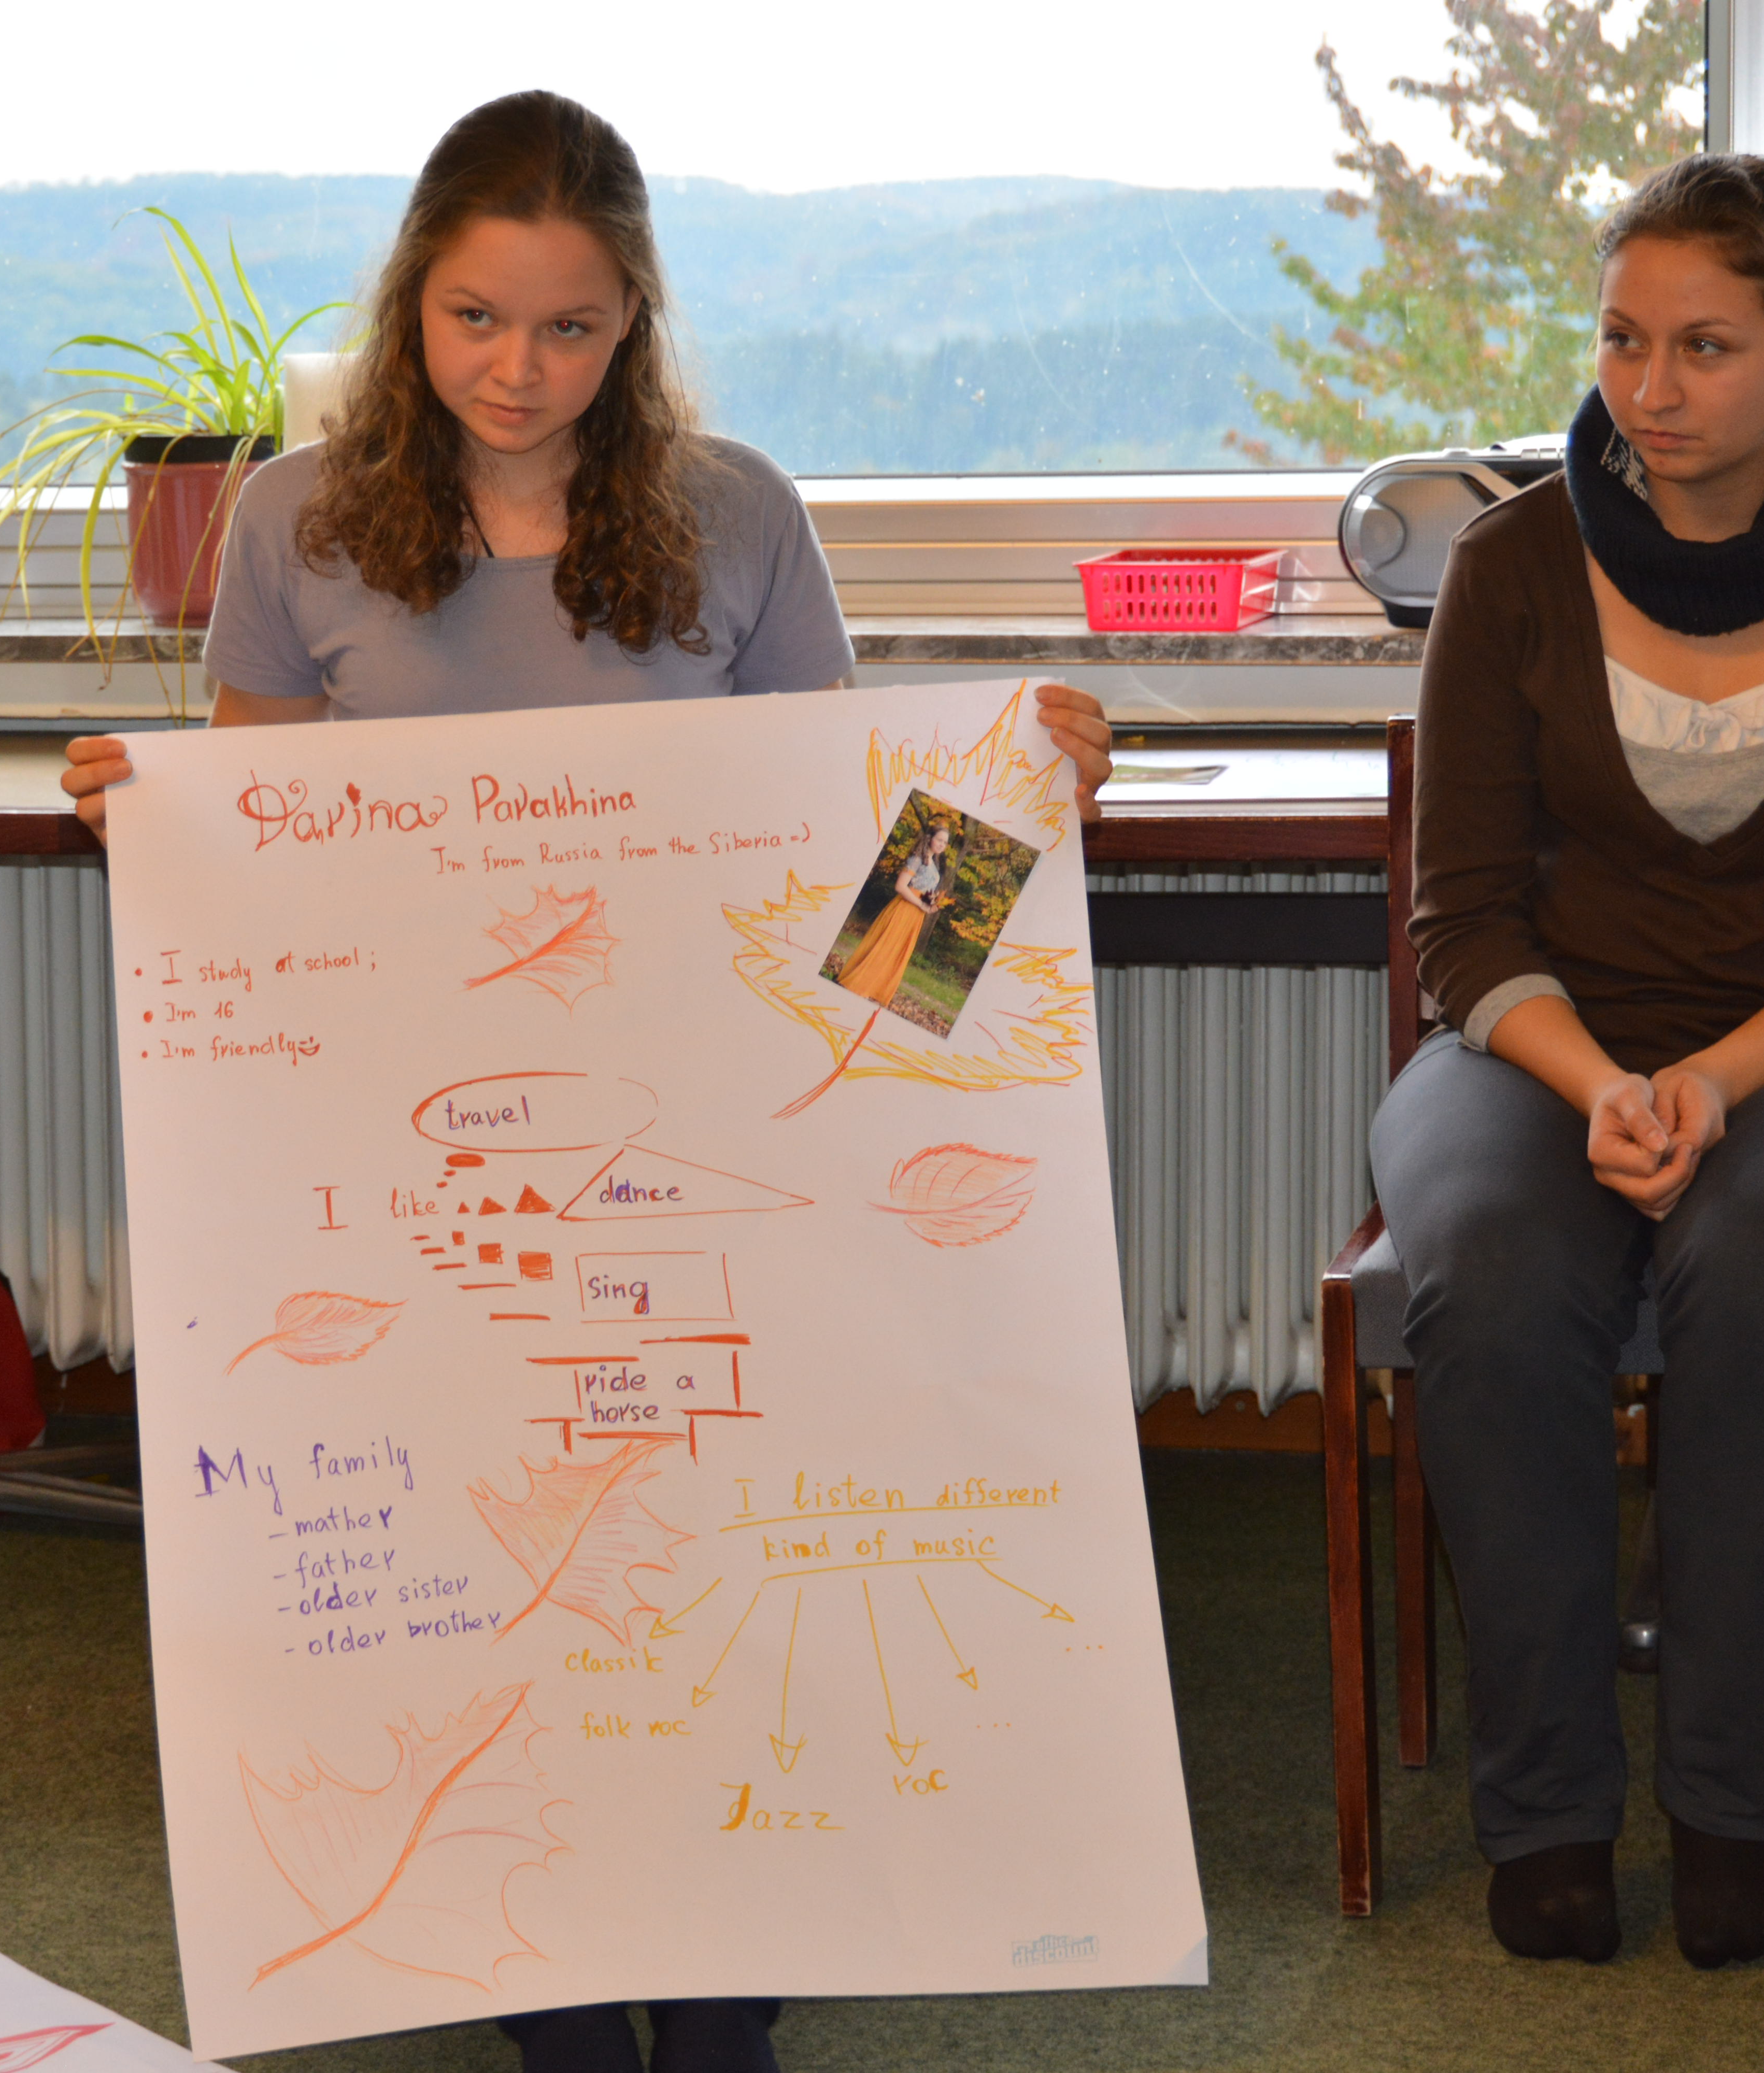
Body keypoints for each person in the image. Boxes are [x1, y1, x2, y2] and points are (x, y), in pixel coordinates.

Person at [61, 90, 1107, 2073]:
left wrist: (1015, 803)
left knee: (696, 1568)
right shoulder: (293, 521)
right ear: (409, 303)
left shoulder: (738, 512)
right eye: (474, 318)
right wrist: (153, 824)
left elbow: (847, 896)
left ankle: (717, 1991)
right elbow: (264, 859)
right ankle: (543, 2000)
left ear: (634, 322)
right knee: (485, 1580)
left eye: (569, 327)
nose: (516, 370)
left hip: (702, 1142)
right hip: (414, 1150)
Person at [1369, 154, 1764, 1970]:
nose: (1650, 388)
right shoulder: (1504, 566)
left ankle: (1731, 1803)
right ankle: (1547, 1809)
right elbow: (1462, 921)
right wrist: (1601, 1085)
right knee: (1487, 1267)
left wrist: (1715, 1080)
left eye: (1703, 347)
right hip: (1533, 1049)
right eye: (1621, 340)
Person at [832, 822, 952, 1005]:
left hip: (916, 915)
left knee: (895, 953)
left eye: (945, 842)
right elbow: (901, 886)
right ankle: (858, 985)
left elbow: (924, 890)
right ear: (930, 838)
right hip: (904, 910)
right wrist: (921, 904)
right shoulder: (917, 859)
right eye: (940, 840)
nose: (942, 845)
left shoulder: (934, 865)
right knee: (885, 947)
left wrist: (932, 903)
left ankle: (873, 988)